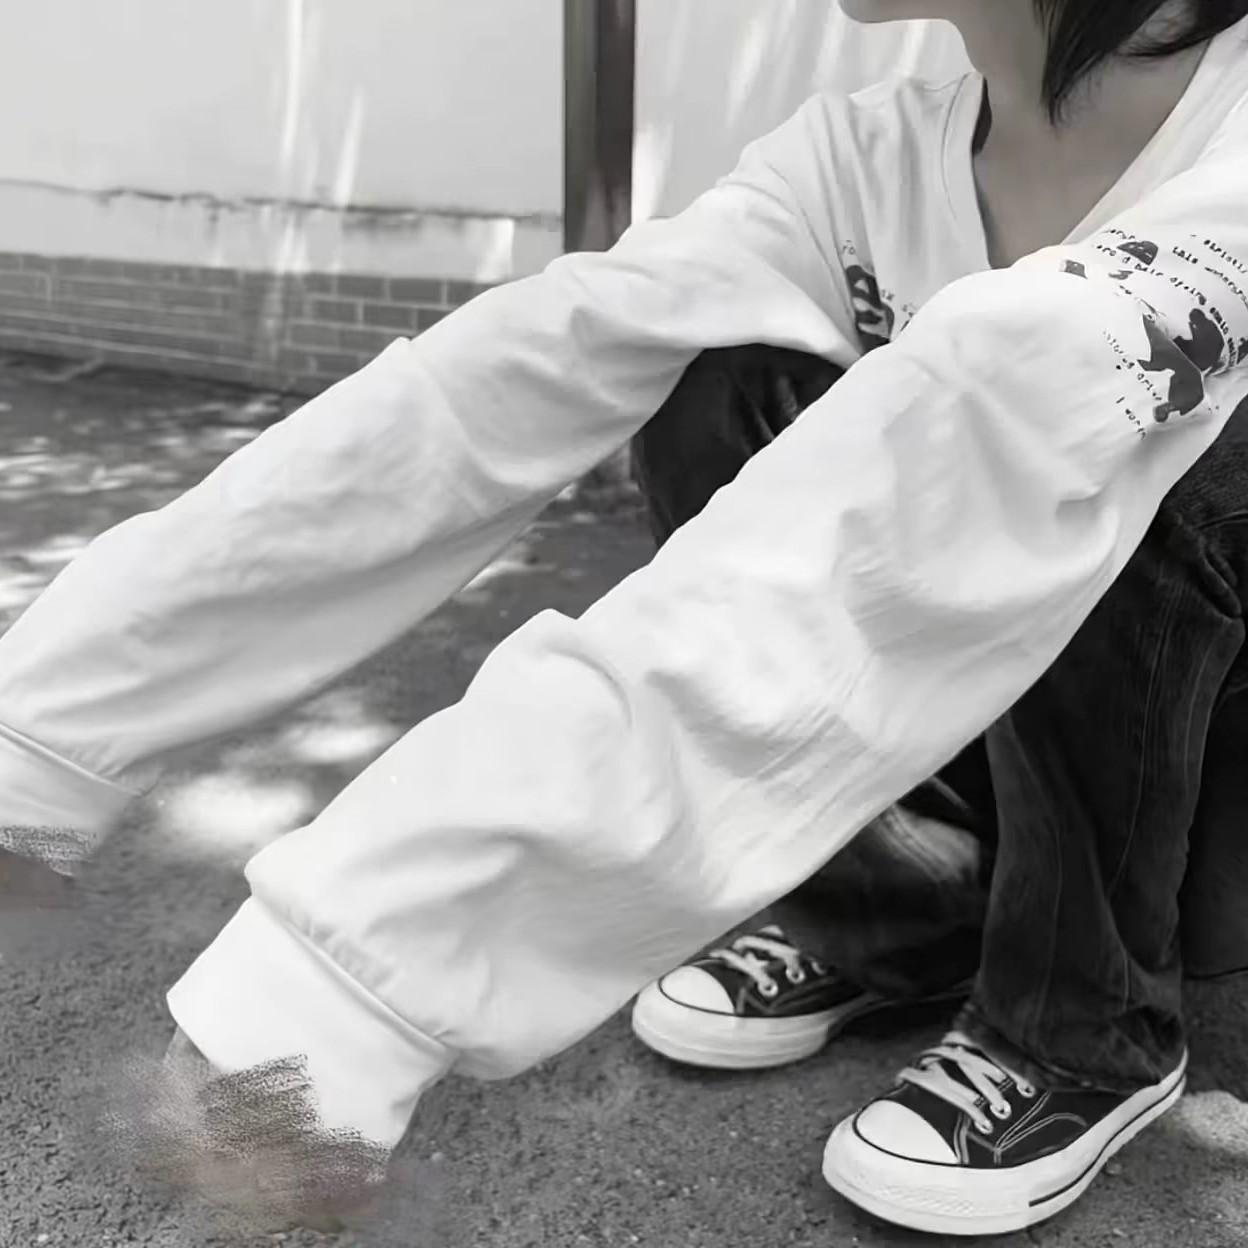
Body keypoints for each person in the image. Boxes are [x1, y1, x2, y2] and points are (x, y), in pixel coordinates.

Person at [3, 0, 1248, 1237]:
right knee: (720, 368)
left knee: (1122, 432)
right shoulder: (865, 158)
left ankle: (1086, 1026)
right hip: (1018, 693)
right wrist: (42, 732)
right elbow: (515, 372)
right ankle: (901, 913)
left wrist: (348, 981)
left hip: (1211, 751)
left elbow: (976, 426)